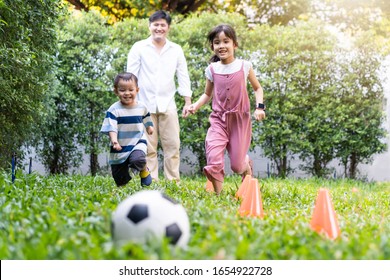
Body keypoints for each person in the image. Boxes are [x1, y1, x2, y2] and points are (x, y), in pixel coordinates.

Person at [184, 24, 266, 195]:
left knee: (237, 166)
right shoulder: (211, 69)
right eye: (216, 43)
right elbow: (207, 94)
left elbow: (257, 88)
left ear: (234, 44)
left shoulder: (244, 66)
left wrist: (260, 107)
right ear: (212, 46)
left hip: (239, 121)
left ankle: (246, 164)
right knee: (213, 157)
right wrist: (195, 106)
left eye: (226, 41)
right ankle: (219, 196)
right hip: (218, 120)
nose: (221, 46)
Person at [127, 10, 192, 182]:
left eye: (163, 25)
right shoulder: (138, 47)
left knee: (173, 146)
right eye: (156, 24)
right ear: (150, 26)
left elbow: (183, 75)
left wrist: (187, 101)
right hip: (144, 105)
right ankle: (151, 180)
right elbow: (131, 77)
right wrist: (130, 104)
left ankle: (173, 181)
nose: (159, 28)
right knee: (149, 147)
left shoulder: (176, 49)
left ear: (168, 28)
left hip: (168, 104)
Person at [100, 72, 154, 187]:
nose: (127, 93)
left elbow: (146, 116)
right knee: (120, 178)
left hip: (137, 141)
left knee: (138, 159)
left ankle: (144, 170)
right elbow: (112, 127)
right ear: (116, 91)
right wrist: (114, 141)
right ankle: (122, 186)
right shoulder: (114, 110)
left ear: (137, 90)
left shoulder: (141, 107)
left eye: (131, 90)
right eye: (122, 90)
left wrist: (149, 127)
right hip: (120, 145)